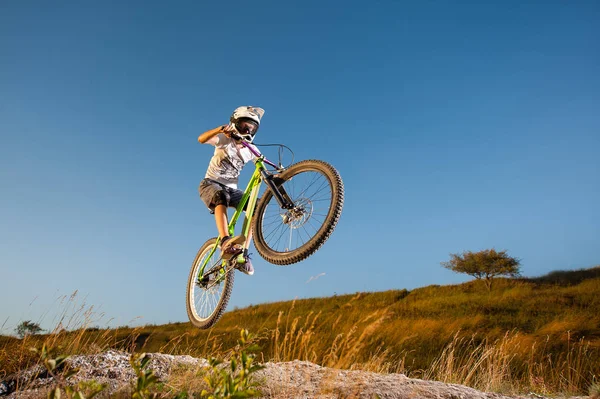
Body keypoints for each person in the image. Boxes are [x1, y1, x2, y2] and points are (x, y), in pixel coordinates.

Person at [197, 106, 265, 276]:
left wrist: (282, 175)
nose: (247, 130)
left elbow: (262, 163)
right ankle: (225, 240)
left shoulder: (251, 149)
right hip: (210, 183)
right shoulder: (223, 139)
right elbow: (201, 139)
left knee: (256, 206)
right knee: (221, 196)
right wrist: (220, 129)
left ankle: (243, 252)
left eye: (252, 127)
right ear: (235, 124)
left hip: (231, 189)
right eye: (244, 125)